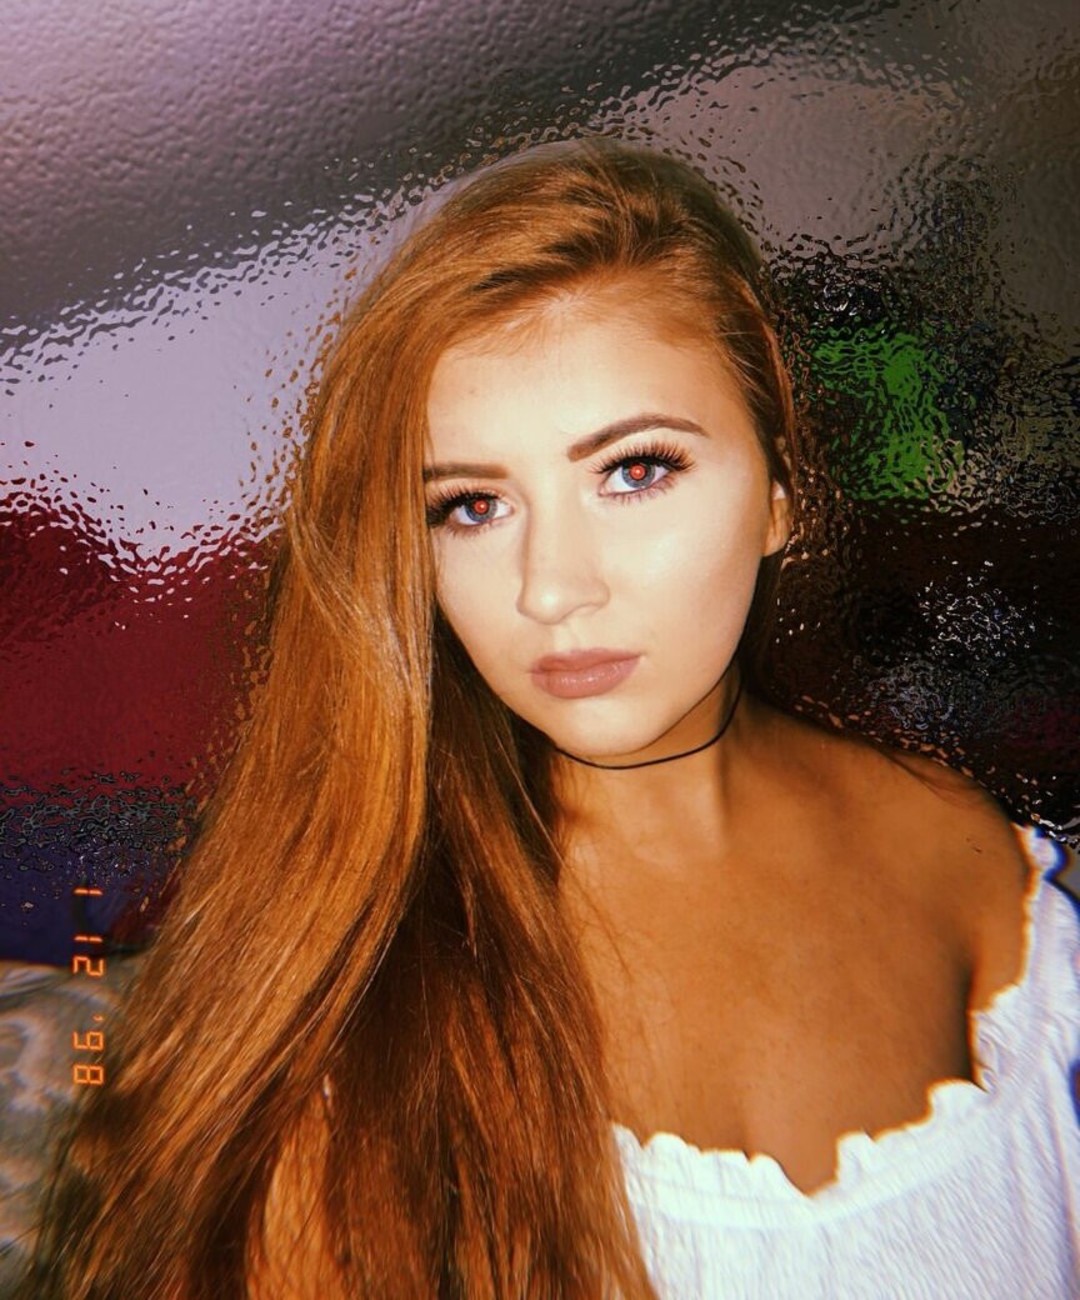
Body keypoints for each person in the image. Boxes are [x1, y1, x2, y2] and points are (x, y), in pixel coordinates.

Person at [13, 139, 1079, 1299]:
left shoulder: (969, 866)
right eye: (473, 506)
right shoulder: (368, 1008)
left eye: (635, 471)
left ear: (781, 489)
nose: (551, 589)